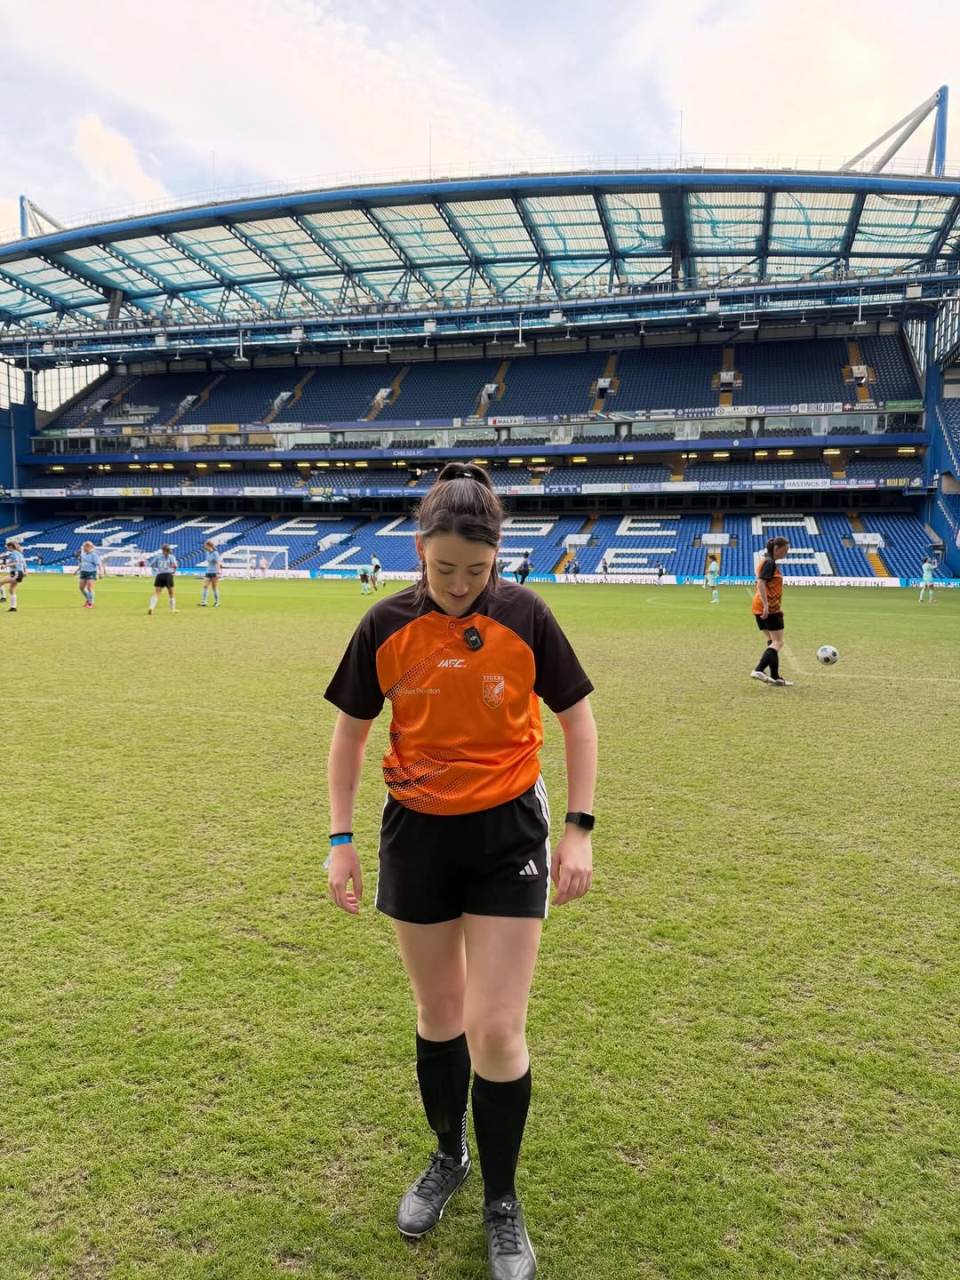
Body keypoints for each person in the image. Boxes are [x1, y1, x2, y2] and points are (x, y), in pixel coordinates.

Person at [324, 463, 598, 1280]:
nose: (457, 585)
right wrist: (340, 839)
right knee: (438, 1013)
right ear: (418, 550)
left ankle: (502, 1202)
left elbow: (578, 722)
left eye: (475, 572)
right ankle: (450, 1155)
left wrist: (578, 830)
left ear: (498, 559)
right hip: (416, 834)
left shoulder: (527, 615)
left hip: (509, 829)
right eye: (443, 569)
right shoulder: (383, 624)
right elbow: (349, 738)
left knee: (496, 1027)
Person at [751, 537, 793, 687]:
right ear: (776, 548)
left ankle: (775, 677)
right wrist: (767, 606)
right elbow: (761, 582)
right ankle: (759, 669)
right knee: (778, 641)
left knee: (772, 641)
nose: (786, 553)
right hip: (768, 608)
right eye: (785, 550)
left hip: (758, 606)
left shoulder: (765, 560)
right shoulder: (769, 562)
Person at [148, 544, 178, 615]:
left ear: (162, 550)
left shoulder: (158, 556)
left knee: (157, 592)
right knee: (171, 593)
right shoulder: (171, 557)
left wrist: (156, 570)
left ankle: (151, 607)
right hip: (168, 575)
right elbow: (175, 565)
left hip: (159, 575)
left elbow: (151, 565)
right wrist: (172, 570)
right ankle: (173, 609)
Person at [0, 539, 27, 612]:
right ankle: (13, 607)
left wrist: (6, 566)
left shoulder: (14, 553)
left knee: (0, 582)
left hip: (16, 573)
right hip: (18, 573)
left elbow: (16, 563)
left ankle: (3, 597)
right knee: (12, 590)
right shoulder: (19, 553)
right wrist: (25, 572)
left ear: (11, 547)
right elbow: (23, 563)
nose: (7, 549)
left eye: (7, 547)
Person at [77, 541, 103, 609]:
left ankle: (90, 603)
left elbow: (99, 564)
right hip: (83, 572)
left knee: (90, 587)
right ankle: (88, 600)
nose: (84, 548)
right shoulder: (83, 555)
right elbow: (82, 563)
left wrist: (101, 573)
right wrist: (77, 570)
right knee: (81, 587)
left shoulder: (94, 555)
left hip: (91, 572)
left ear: (89, 547)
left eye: (85, 546)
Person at [199, 540, 223, 608]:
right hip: (208, 571)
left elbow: (218, 562)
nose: (205, 547)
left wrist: (218, 572)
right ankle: (204, 601)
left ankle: (217, 602)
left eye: (205, 545)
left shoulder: (215, 553)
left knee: (214, 587)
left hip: (214, 572)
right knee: (205, 586)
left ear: (209, 546)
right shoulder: (207, 553)